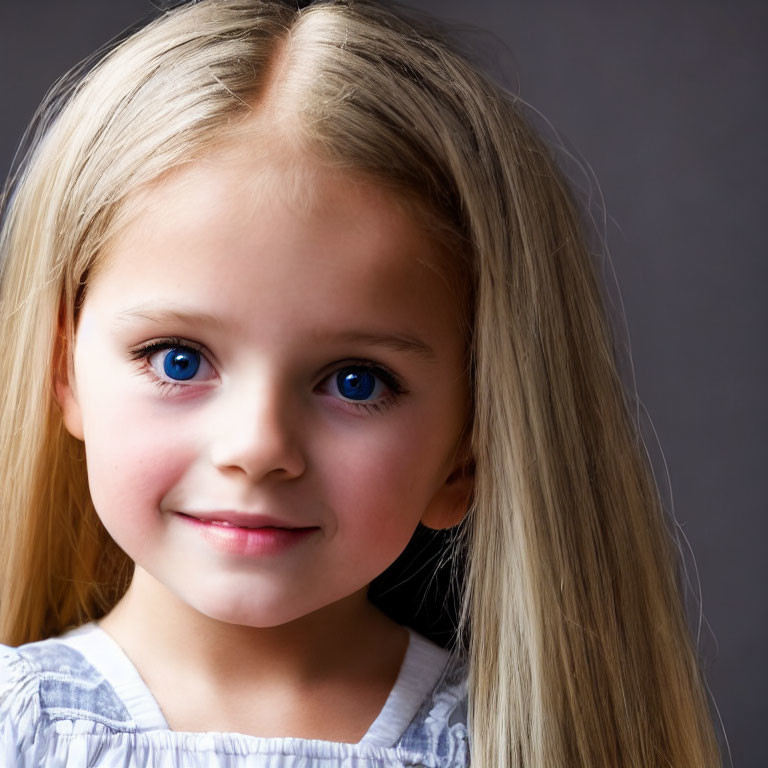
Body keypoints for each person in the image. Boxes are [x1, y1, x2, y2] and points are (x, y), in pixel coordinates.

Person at [0, 1, 721, 766]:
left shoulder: (528, 747)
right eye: (178, 358)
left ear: (468, 451)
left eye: (355, 381)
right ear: (63, 371)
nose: (258, 447)